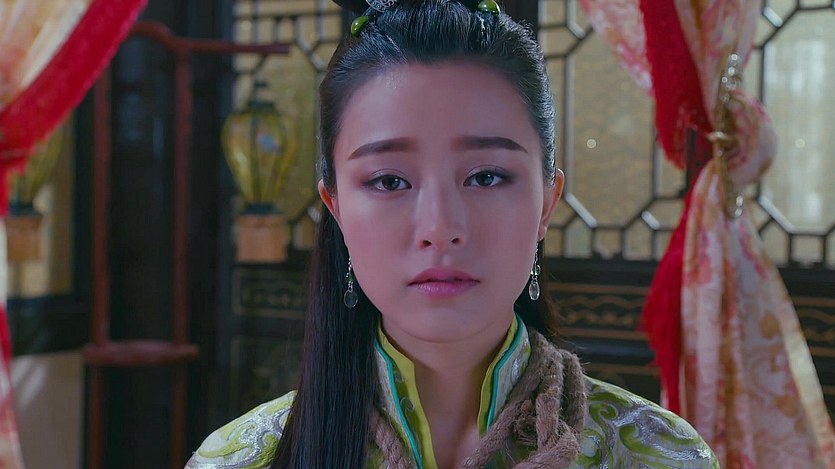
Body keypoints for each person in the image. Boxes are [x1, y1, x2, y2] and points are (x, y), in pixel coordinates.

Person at [187, 0, 719, 467]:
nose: (440, 229)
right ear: (337, 208)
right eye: (389, 181)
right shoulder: (241, 461)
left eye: (486, 177)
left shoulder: (658, 456)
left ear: (547, 202)